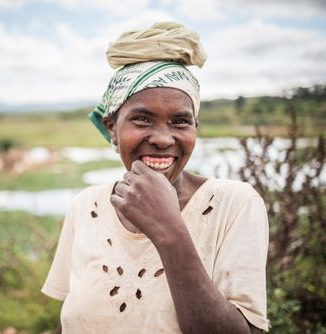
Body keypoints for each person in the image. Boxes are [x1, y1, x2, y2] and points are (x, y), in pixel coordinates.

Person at [41, 21, 269, 333]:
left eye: (180, 121)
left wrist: (169, 231)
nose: (163, 138)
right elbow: (68, 322)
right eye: (142, 119)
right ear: (112, 127)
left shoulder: (235, 204)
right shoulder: (86, 206)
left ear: (194, 129)